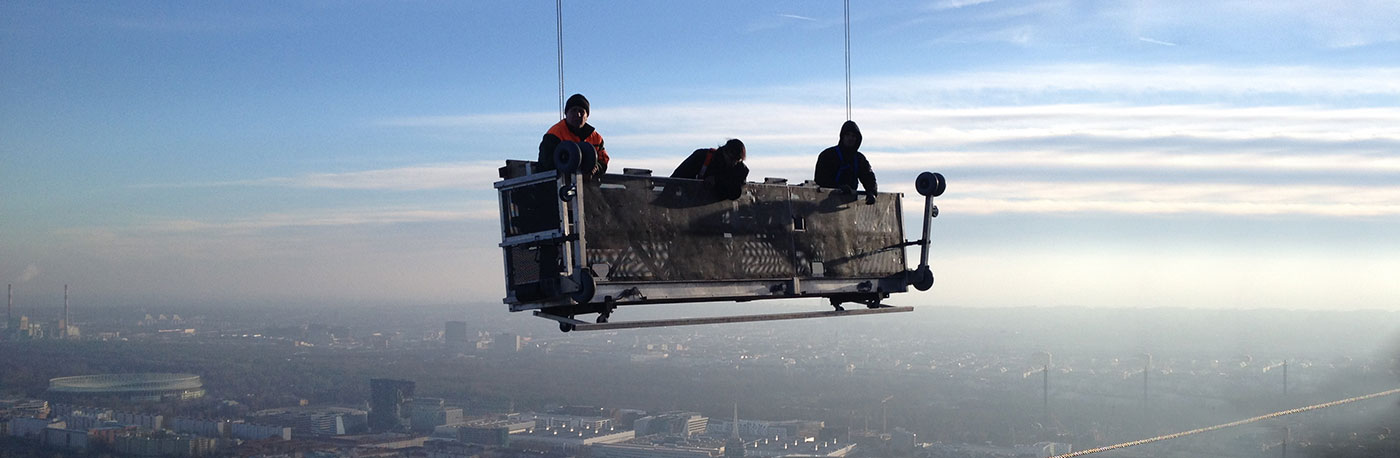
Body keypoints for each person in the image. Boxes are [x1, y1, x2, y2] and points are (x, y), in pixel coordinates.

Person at [538, 93, 610, 176]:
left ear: (587, 116)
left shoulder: (596, 138)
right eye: (574, 110)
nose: (578, 114)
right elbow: (546, 163)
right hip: (555, 184)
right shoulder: (554, 134)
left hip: (588, 186)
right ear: (566, 113)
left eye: (581, 111)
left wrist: (596, 168)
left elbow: (603, 161)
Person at [814, 120, 877, 204]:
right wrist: (838, 188)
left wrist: (872, 192)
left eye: (853, 136)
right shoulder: (828, 155)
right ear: (842, 136)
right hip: (825, 203)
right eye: (847, 135)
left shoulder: (859, 159)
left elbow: (868, 177)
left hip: (849, 205)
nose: (850, 138)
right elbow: (820, 179)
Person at [671, 139, 749, 200]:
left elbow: (735, 193)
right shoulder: (701, 157)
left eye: (737, 160)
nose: (733, 163)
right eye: (731, 158)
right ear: (725, 152)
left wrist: (717, 181)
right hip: (689, 202)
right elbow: (675, 179)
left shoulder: (741, 170)